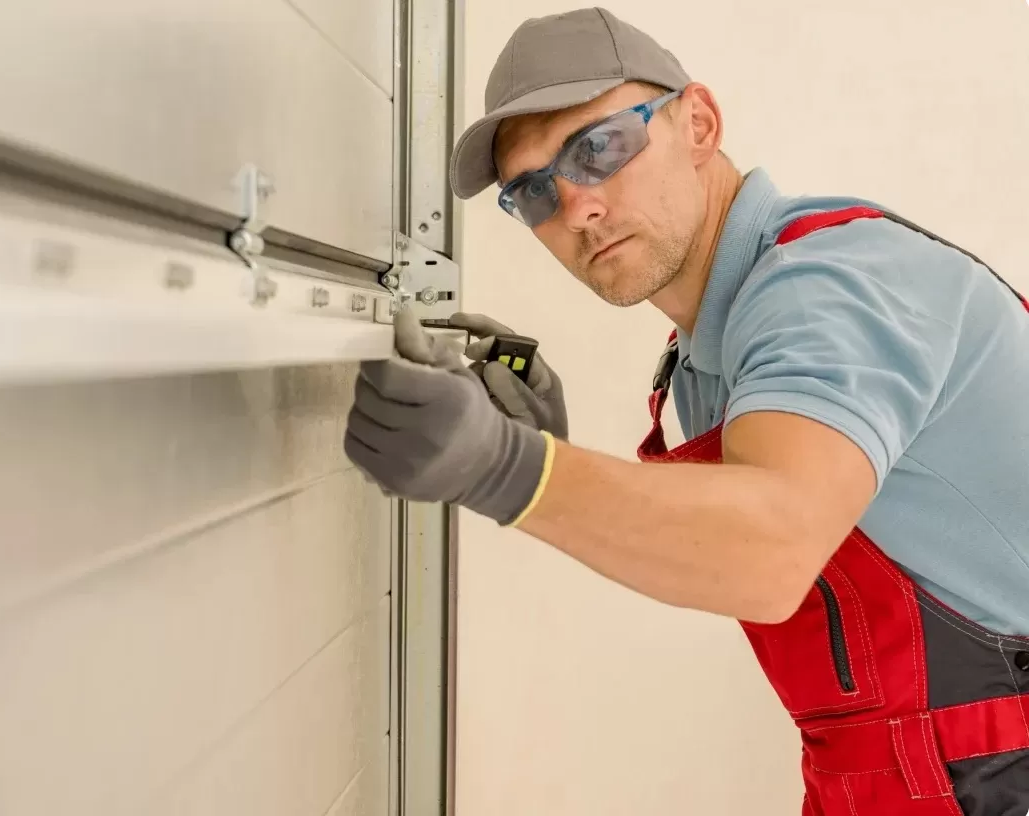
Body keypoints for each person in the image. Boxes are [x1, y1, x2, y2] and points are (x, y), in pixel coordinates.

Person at [345, 7, 1029, 814]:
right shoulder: (709, 348)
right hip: (885, 781)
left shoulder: (827, 284)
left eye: (597, 148)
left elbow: (769, 550)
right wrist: (550, 461)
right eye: (531, 192)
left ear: (698, 122)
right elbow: (733, 554)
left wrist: (510, 468)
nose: (574, 208)